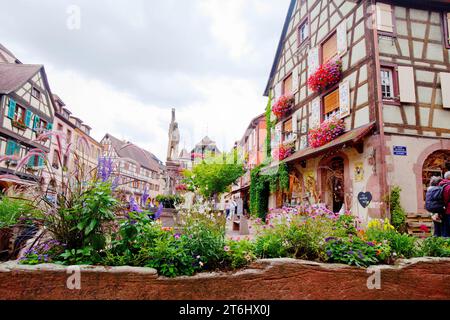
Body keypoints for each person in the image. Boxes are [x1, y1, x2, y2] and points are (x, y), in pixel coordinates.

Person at [439, 172, 450, 237]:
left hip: (443, 209)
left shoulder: (441, 184)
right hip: (448, 208)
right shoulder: (448, 186)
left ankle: (445, 242)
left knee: (445, 226)